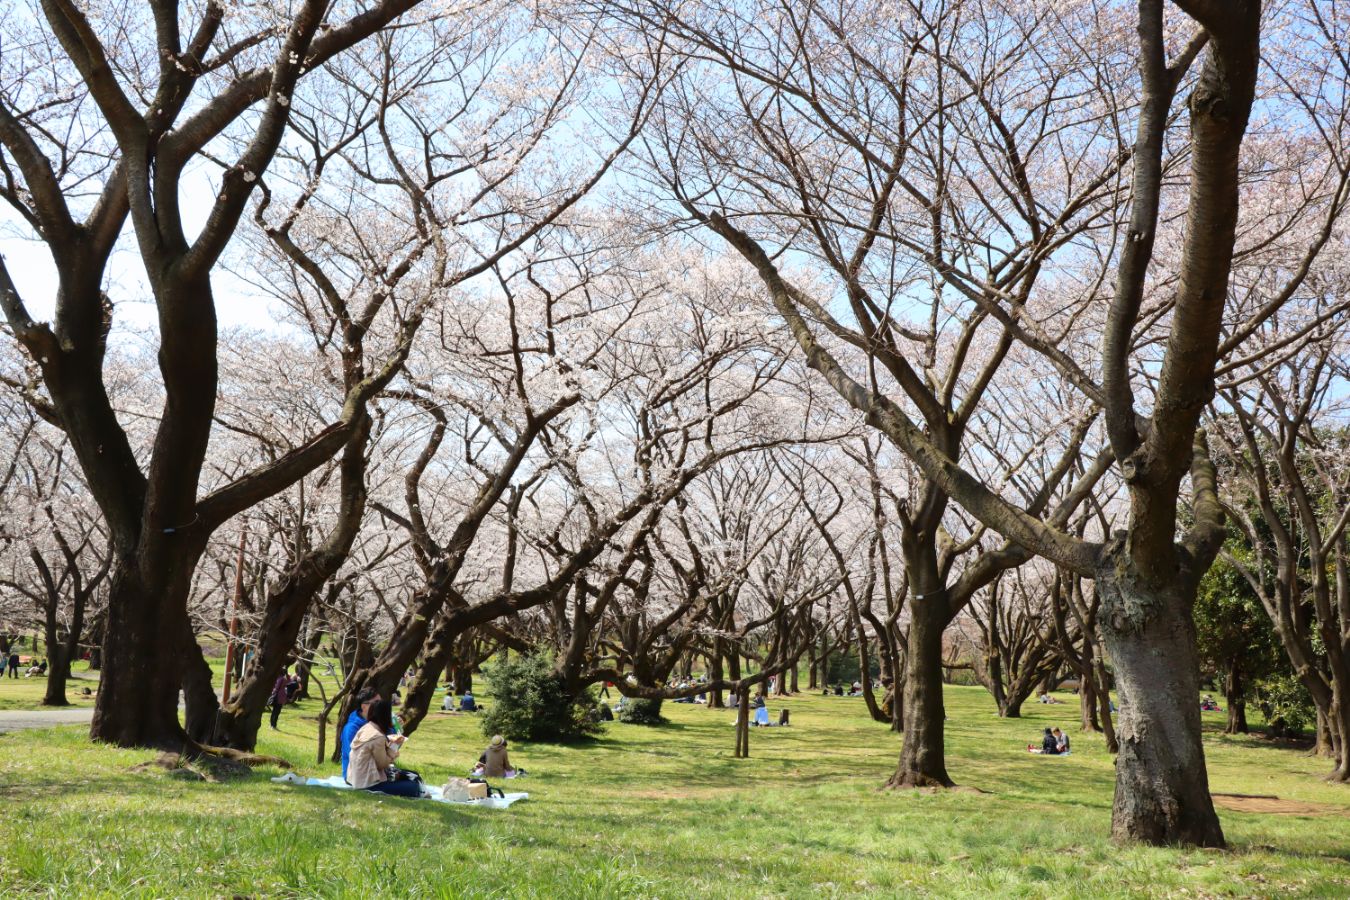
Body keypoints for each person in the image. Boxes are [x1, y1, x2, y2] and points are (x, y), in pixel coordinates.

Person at [348, 700, 420, 798]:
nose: (393, 716)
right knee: (414, 786)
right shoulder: (378, 737)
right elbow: (383, 764)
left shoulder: (366, 727)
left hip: (357, 779)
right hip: (369, 784)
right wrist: (394, 746)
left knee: (412, 775)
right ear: (385, 715)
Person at [341, 687, 381, 782]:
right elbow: (355, 758)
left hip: (377, 772)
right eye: (377, 703)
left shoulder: (379, 723)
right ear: (364, 707)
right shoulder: (351, 728)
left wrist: (395, 731)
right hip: (356, 776)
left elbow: (389, 749)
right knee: (411, 787)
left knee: (413, 777)